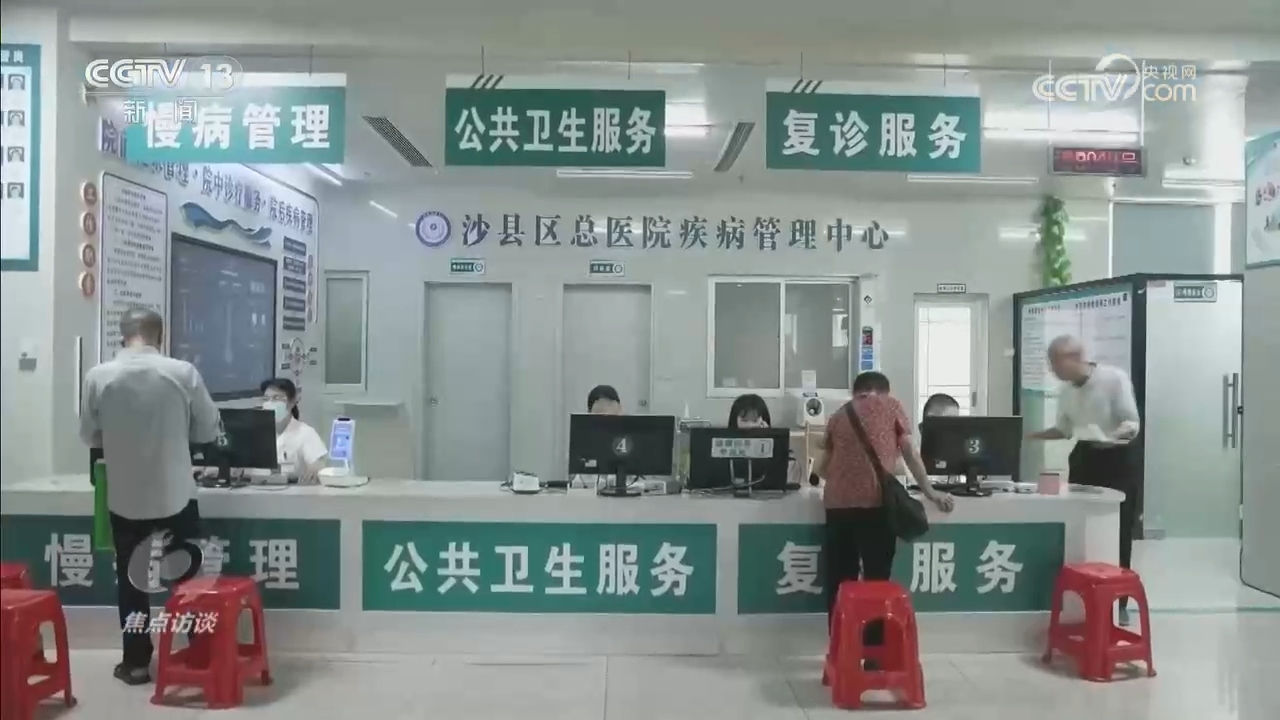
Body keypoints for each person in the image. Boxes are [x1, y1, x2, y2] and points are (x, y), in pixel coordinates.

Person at [79, 309, 220, 685]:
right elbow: (208, 429)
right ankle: (200, 654)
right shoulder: (182, 373)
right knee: (188, 579)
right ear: (161, 335)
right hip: (177, 494)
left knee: (131, 583)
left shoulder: (98, 376)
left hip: (125, 497)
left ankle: (137, 662)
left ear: (122, 335)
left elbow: (90, 435)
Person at [818, 371, 954, 659]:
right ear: (884, 390)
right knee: (876, 583)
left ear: (855, 392)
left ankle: (842, 651)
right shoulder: (891, 406)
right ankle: (873, 655)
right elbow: (910, 452)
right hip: (875, 506)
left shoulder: (838, 415)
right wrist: (930, 492)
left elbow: (820, 467)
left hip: (837, 508)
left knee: (840, 584)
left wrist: (844, 477)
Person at [1027, 335, 1140, 624]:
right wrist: (1030, 435)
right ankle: (1083, 595)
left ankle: (1118, 603)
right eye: (1051, 363)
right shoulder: (1066, 392)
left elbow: (1131, 423)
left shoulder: (1113, 379)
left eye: (1056, 362)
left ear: (1076, 357)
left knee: (1117, 529)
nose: (1053, 370)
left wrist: (1111, 437)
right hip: (1084, 456)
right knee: (1080, 524)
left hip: (1116, 458)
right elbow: (1064, 430)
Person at [261, 378, 328, 483]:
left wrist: (314, 470)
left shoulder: (305, 432)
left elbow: (319, 464)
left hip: (294, 490)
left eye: (276, 398)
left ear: (292, 402)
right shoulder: (256, 433)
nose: (270, 403)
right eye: (266, 399)